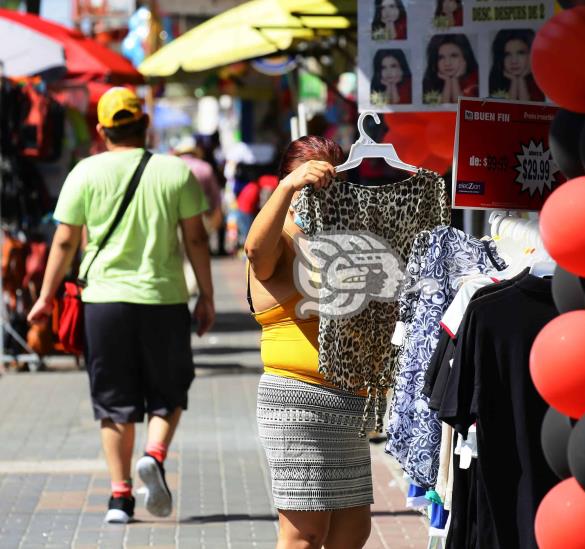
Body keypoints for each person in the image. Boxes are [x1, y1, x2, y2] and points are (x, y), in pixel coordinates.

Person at [27, 87, 215, 525]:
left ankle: (119, 498)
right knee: (168, 391)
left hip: (103, 302)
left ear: (101, 130)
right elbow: (197, 239)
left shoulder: (84, 173)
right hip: (163, 299)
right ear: (145, 124)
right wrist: (206, 295)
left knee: (114, 402)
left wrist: (44, 296)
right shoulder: (176, 172)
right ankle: (154, 454)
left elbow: (65, 240)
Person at [245, 136, 376, 549]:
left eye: (331, 186)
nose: (320, 196)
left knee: (353, 531)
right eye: (309, 186)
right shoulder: (281, 237)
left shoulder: (341, 238)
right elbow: (254, 251)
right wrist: (286, 189)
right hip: (298, 404)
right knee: (304, 534)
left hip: (349, 403)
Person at [173, 136, 223, 236]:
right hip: (202, 217)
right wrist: (217, 215)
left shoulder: (172, 168)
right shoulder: (205, 167)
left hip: (177, 219)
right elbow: (215, 196)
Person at [489, 29, 546, 102]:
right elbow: (508, 108)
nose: (514, 61)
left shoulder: (541, 82)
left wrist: (521, 80)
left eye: (520, 53)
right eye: (507, 54)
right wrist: (515, 81)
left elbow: (527, 109)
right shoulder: (496, 81)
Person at [423, 34, 479, 104]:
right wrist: (448, 82)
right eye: (441, 57)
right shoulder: (429, 82)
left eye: (454, 56)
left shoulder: (476, 81)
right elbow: (441, 110)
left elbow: (462, 108)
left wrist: (454, 80)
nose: (447, 63)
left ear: (465, 57)